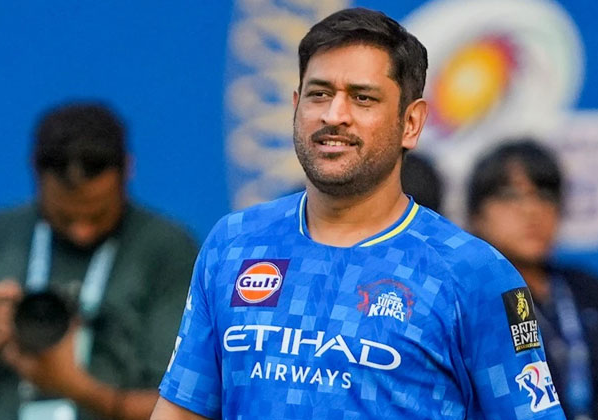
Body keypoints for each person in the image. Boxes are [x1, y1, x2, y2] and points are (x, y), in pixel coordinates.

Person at [152, 8, 565, 420]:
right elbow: (181, 411)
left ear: (411, 122)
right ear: (295, 106)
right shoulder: (236, 242)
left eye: (362, 97)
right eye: (319, 94)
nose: (335, 115)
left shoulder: (474, 274)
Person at [0, 103, 199, 420]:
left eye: (97, 214)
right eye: (63, 216)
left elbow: (186, 410)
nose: (81, 231)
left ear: (127, 170)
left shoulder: (167, 250)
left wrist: (76, 387)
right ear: (35, 173)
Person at [465, 140, 598, 420]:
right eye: (511, 195)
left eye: (545, 195)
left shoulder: (577, 289)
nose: (532, 210)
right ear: (477, 215)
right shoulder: (466, 298)